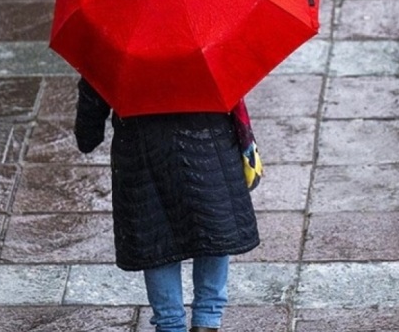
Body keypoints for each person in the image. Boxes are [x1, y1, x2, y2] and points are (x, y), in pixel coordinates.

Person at [74, 78, 260, 332]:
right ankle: (207, 320)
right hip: (208, 143)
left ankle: (170, 324)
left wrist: (88, 128)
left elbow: (88, 136)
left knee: (156, 237)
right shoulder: (209, 39)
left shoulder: (116, 45)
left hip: (142, 157)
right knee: (213, 224)